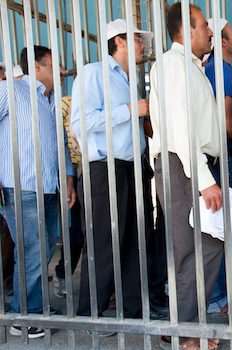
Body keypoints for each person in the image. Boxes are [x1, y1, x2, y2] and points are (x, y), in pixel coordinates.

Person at [149, 4, 224, 349]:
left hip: (188, 164)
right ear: (186, 29)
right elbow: (180, 126)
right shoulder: (172, 64)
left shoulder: (188, 66)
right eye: (205, 25)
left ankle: (187, 329)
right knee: (196, 250)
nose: (211, 32)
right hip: (184, 165)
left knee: (200, 248)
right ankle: (188, 333)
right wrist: (204, 177)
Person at [71, 19, 152, 327]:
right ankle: (90, 315)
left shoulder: (127, 79)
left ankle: (133, 310)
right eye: (138, 39)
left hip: (132, 167)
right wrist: (130, 111)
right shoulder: (94, 74)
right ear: (119, 41)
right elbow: (82, 122)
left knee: (134, 239)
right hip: (105, 168)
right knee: (103, 241)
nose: (143, 45)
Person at [0, 45, 76, 338]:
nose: (60, 71)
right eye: (54, 64)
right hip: (21, 185)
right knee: (31, 252)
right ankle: (24, 317)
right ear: (37, 65)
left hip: (48, 187)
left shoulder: (51, 100)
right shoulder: (12, 90)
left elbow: (60, 145)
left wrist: (68, 180)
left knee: (42, 251)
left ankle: (31, 306)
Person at [203, 17, 232, 319]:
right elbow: (226, 122)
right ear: (221, 41)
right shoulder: (222, 70)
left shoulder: (216, 68)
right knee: (222, 230)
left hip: (217, 159)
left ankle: (217, 295)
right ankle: (217, 298)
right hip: (223, 159)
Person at [52, 95, 85, 299]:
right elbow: (58, 138)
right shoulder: (66, 102)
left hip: (92, 168)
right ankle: (61, 274)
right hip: (70, 171)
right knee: (77, 231)